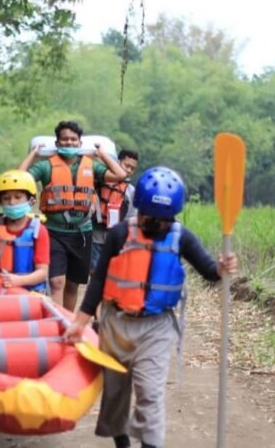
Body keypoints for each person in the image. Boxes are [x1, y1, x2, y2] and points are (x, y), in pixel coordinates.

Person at [62, 166, 238, 448]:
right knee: (116, 391)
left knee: (150, 392)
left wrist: (222, 267)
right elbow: (98, 283)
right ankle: (122, 442)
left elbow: (209, 271)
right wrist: (80, 322)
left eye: (163, 220)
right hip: (115, 322)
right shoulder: (120, 234)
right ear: (139, 209)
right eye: (149, 218)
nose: (156, 225)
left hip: (156, 327)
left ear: (173, 216)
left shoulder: (182, 237)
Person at [18, 121, 126, 311]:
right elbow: (19, 178)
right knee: (57, 280)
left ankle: (67, 320)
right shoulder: (45, 166)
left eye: (73, 140)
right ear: (57, 143)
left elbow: (119, 174)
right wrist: (32, 155)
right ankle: (57, 320)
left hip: (82, 233)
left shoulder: (90, 165)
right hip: (53, 232)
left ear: (79, 143)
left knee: (73, 283)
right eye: (64, 139)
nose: (69, 143)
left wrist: (101, 155)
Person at [0, 169, 50, 292]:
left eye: (18, 197)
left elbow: (42, 272)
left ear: (30, 200)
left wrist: (18, 281)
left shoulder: (40, 231)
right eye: (6, 198)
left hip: (29, 294)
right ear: (1, 201)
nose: (12, 202)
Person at [91, 148, 139, 274]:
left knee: (111, 272)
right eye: (126, 165)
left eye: (132, 168)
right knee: (94, 271)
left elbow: (131, 217)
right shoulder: (101, 180)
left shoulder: (131, 191)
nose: (128, 170)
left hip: (115, 238)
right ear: (118, 162)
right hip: (95, 234)